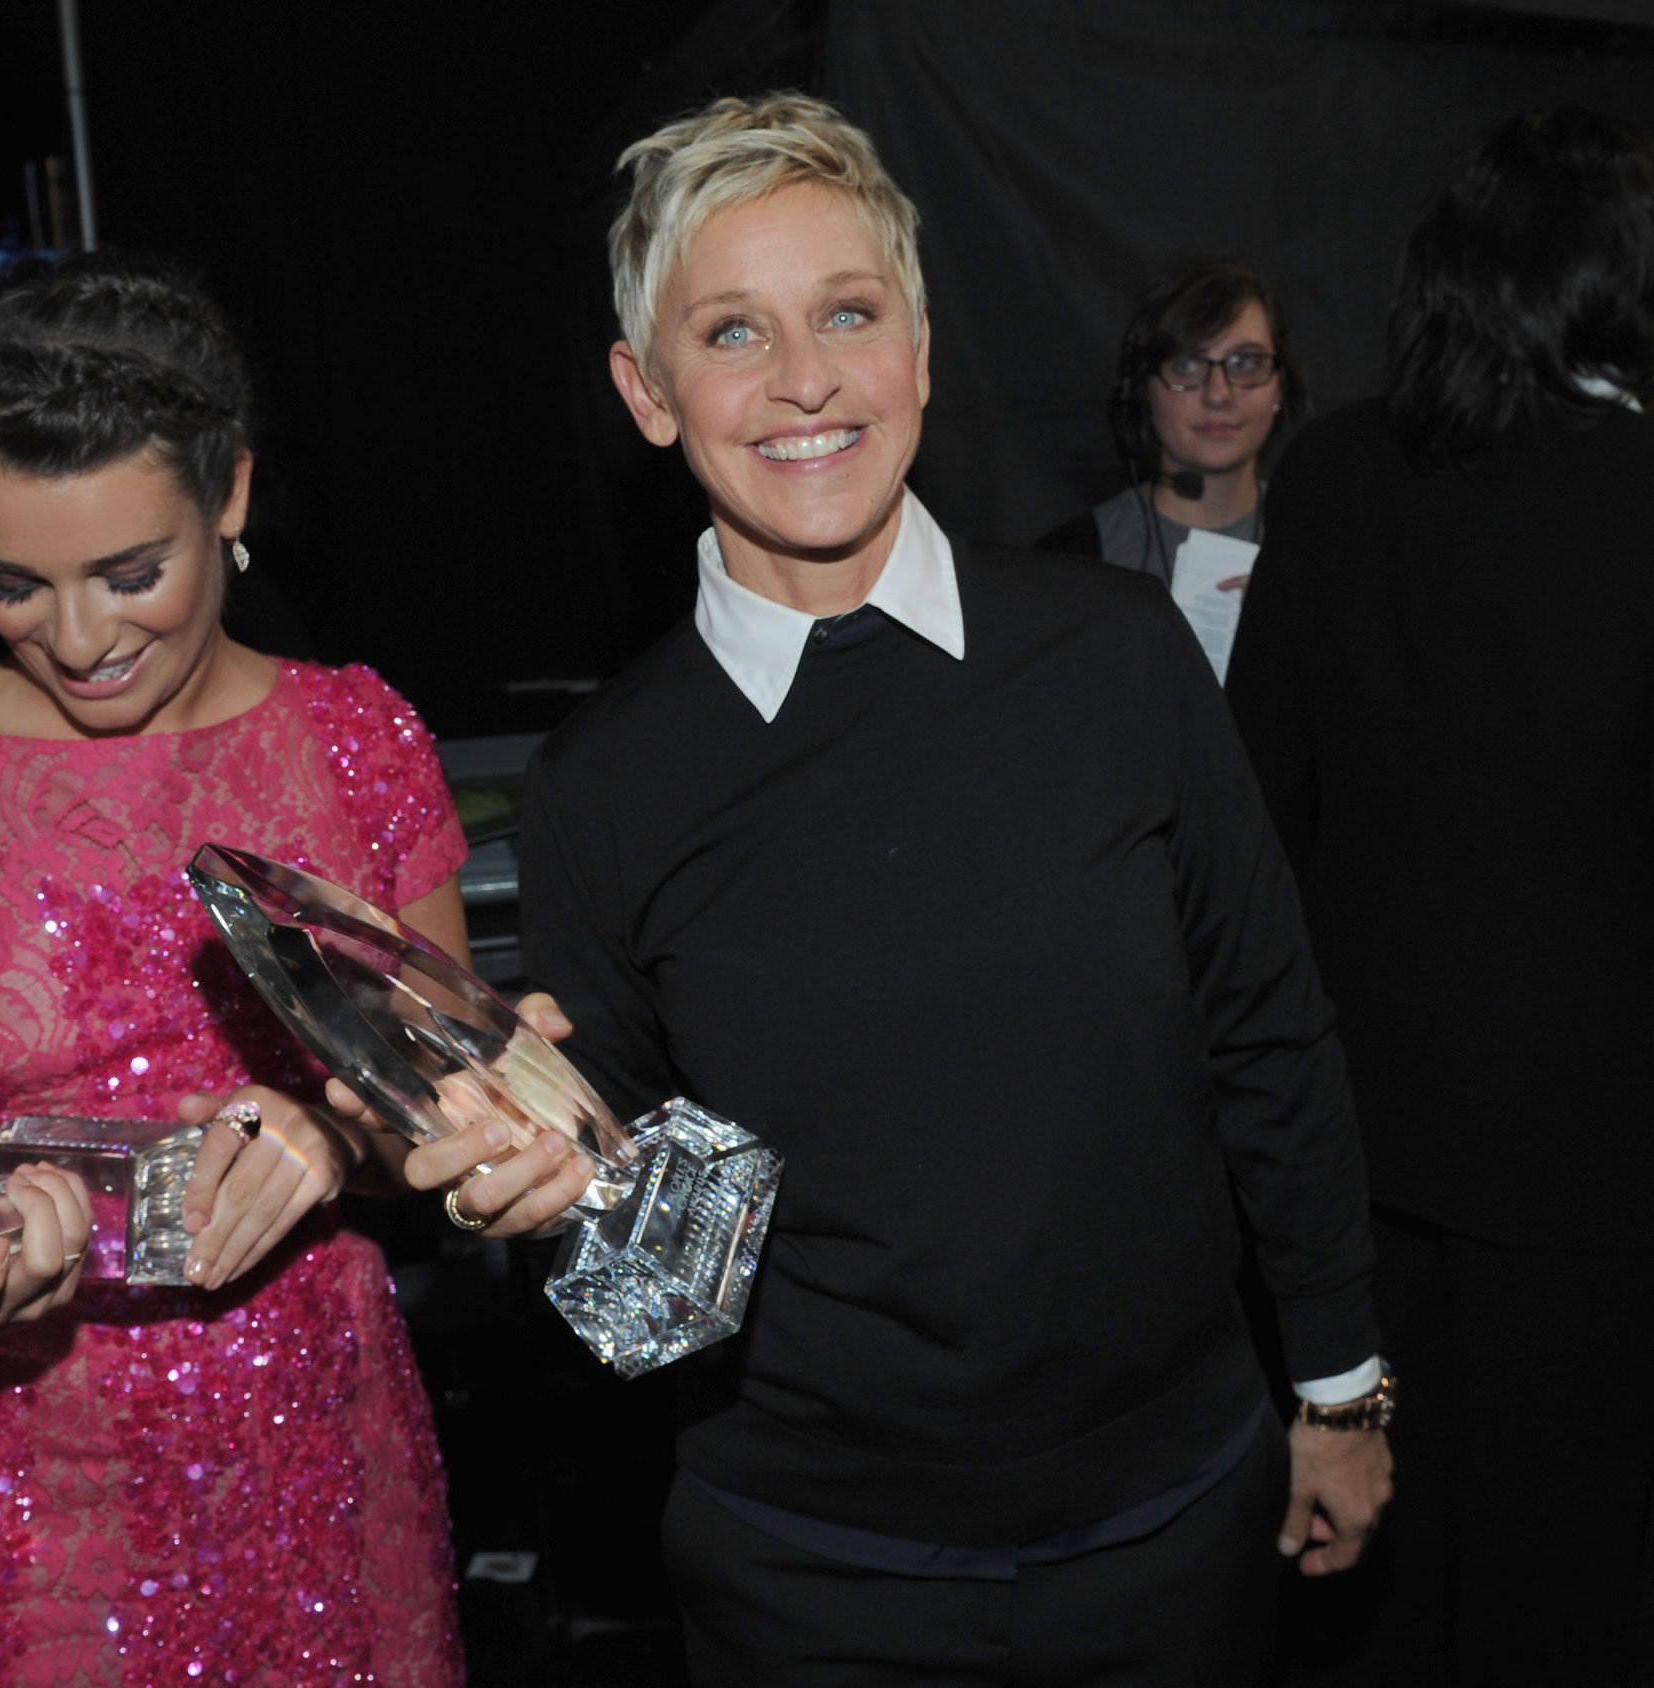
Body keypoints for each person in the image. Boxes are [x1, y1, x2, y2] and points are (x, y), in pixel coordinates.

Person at [378, 93, 1390, 1686]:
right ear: (648, 396)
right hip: (812, 1579)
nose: (803, 381)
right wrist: (561, 1199)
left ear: (918, 346)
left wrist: (1337, 1390)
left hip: (1175, 1523)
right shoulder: (605, 788)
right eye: (731, 332)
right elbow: (652, 1292)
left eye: (847, 313)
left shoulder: (1116, 661)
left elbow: (1272, 1040)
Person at [0, 254, 466, 1687]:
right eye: (9, 583)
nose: (78, 638)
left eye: (131, 572)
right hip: (29, 1522)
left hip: (332, 1471)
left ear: (234, 498)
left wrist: (329, 1134)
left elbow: (453, 1116)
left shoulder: (358, 741)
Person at [1226, 107, 1654, 1687]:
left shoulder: (1332, 477)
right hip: (1594, 1173)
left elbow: (1251, 821)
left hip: (1358, 1156)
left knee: (1369, 1585)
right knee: (1571, 1587)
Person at [1038, 262, 1300, 597]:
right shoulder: (1071, 560)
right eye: (1186, 365)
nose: (1218, 394)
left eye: (1245, 363)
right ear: (1144, 390)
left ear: (1279, 387)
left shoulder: (1330, 550)